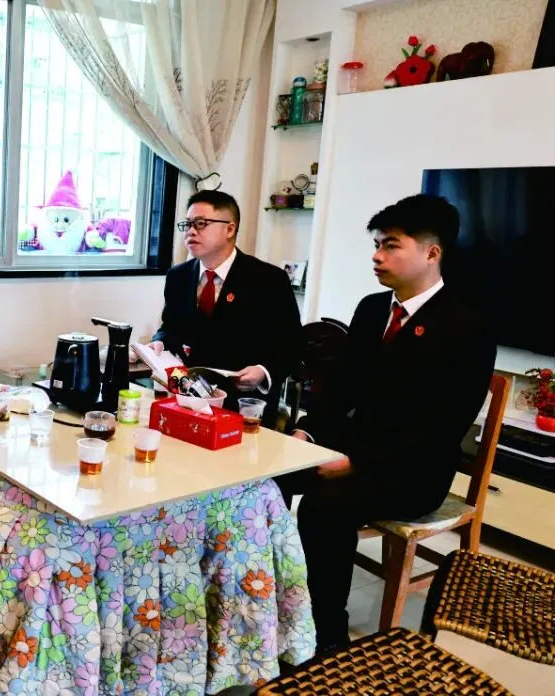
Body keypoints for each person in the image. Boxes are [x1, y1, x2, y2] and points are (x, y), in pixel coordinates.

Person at [283, 194, 496, 652]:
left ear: (431, 252)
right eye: (377, 245)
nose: (377, 256)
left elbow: (442, 427)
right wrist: (308, 432)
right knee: (268, 474)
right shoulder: (372, 308)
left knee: (323, 508)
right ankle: (271, 605)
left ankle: (327, 638)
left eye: (391, 245)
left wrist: (354, 463)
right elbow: (340, 388)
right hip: (356, 446)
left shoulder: (467, 326)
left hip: (414, 470)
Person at [149, 190, 301, 422]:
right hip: (187, 397)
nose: (191, 231)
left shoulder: (268, 279)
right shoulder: (178, 276)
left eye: (201, 224)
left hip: (243, 404)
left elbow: (292, 345)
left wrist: (263, 371)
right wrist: (159, 341)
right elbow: (171, 326)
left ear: (230, 229)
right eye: (187, 224)